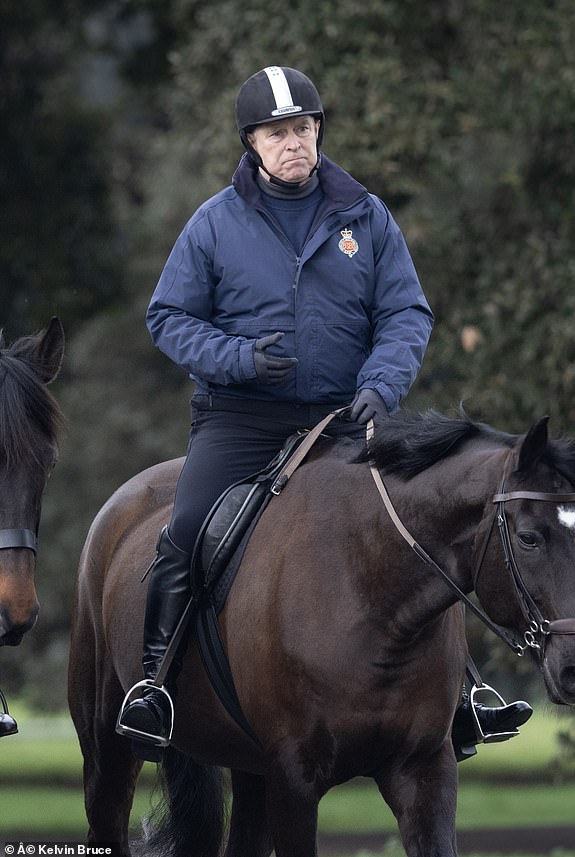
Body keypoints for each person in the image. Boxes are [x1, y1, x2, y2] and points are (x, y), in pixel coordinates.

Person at [116, 65, 531, 761]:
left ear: (318, 132)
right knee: (187, 529)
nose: (294, 143)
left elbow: (404, 312)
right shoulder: (214, 222)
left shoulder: (365, 217)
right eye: (278, 132)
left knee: (420, 526)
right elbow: (169, 318)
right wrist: (240, 359)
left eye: (304, 128)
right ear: (251, 141)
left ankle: (462, 694)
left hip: (344, 420)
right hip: (241, 418)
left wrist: (381, 385)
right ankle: (155, 686)